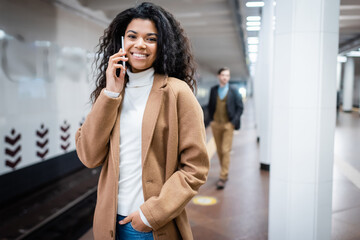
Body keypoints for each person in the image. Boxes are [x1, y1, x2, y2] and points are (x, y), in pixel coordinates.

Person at [75, 2, 209, 240]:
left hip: (150, 226)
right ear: (121, 41)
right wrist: (111, 93)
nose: (140, 45)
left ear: (162, 45)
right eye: (132, 36)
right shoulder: (110, 93)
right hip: (109, 224)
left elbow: (195, 168)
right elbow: (89, 156)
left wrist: (149, 216)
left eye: (151, 38)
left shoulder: (177, 92)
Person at [207, 67, 243, 190]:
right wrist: (210, 121)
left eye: (227, 75)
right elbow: (210, 106)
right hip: (216, 124)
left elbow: (240, 107)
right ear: (218, 76)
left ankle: (223, 176)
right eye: (223, 75)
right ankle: (224, 171)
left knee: (225, 149)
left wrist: (233, 122)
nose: (225, 77)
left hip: (228, 125)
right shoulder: (213, 90)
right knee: (219, 150)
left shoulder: (234, 91)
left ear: (229, 77)